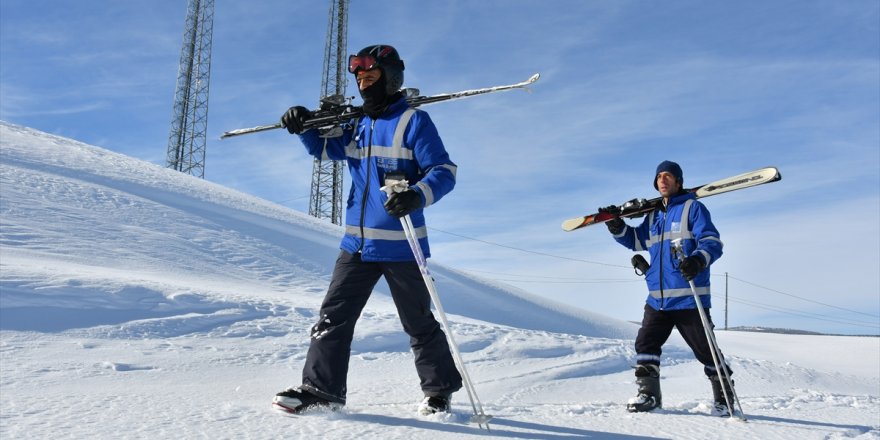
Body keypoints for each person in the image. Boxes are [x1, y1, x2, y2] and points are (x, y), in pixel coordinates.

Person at [272, 44, 462, 415]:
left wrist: (417, 195)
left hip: (401, 245)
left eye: (370, 74)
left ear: (391, 77)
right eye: (358, 75)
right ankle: (321, 390)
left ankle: (439, 391)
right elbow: (327, 151)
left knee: (418, 323)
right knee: (333, 318)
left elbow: (444, 171)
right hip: (356, 245)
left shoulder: (413, 122)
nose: (362, 80)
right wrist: (303, 125)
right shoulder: (356, 123)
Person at [602, 160, 733, 415]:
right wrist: (618, 228)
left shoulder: (692, 209)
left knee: (706, 351)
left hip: (689, 298)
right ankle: (649, 395)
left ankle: (724, 399)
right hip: (657, 300)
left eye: (668, 176)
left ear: (678, 182)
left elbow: (712, 241)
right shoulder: (653, 215)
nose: (663, 180)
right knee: (645, 345)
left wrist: (697, 260)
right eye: (659, 176)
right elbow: (636, 241)